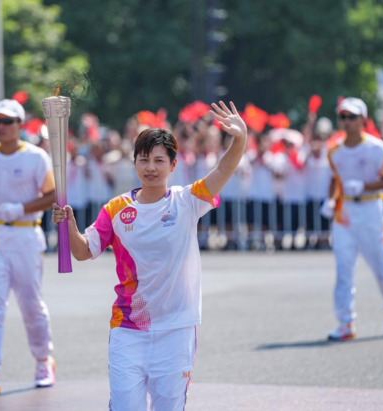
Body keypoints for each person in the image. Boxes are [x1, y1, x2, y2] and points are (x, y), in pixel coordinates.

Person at [52, 101, 247, 410]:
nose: (151, 167)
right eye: (144, 160)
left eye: (159, 160)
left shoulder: (188, 201)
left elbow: (224, 169)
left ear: (173, 165)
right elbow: (82, 251)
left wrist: (241, 139)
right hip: (129, 328)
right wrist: (69, 227)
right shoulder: (116, 209)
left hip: (176, 329)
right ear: (135, 164)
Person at [0, 99, 56, 396]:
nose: (1, 127)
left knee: (31, 306)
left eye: (7, 121)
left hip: (25, 236)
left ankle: (44, 360)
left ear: (20, 125)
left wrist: (20, 208)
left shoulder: (36, 157)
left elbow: (53, 195)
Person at [321, 97, 383, 341]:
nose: (346, 122)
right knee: (343, 270)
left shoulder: (375, 147)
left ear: (362, 120)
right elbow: (334, 180)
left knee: (380, 267)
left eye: (351, 117)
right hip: (345, 214)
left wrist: (364, 186)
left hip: (370, 211)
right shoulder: (334, 151)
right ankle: (346, 322)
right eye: (343, 117)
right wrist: (330, 201)